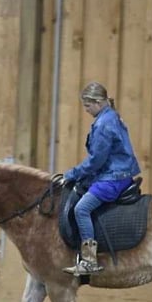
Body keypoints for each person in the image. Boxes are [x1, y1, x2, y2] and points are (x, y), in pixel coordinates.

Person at [61, 82, 141, 276]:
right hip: (118, 173)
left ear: (97, 102)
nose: (86, 110)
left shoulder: (104, 124)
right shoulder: (111, 116)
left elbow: (96, 160)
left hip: (112, 177)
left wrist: (72, 173)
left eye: (88, 106)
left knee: (82, 209)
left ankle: (89, 260)